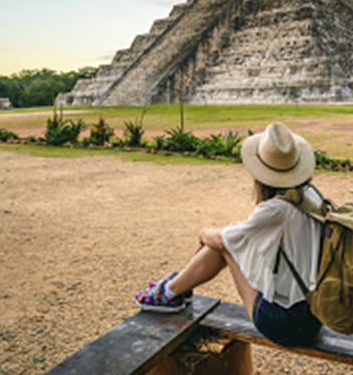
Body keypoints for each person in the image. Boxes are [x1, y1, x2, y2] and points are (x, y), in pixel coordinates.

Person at [135, 122, 324, 348]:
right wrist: (231, 233)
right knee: (230, 237)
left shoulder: (276, 210)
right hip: (314, 317)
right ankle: (175, 289)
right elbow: (248, 236)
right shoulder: (311, 196)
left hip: (286, 326)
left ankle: (170, 292)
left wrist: (203, 233)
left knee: (224, 244)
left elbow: (225, 241)